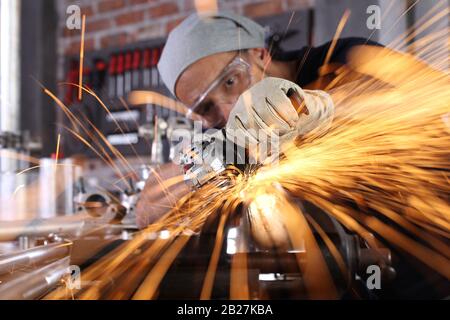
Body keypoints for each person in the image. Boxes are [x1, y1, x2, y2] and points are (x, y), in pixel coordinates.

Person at [136, 12, 380, 228]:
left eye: (230, 81)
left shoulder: (342, 59)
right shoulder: (221, 132)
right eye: (206, 107)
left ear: (260, 55)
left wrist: (319, 106)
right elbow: (147, 212)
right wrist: (190, 177)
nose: (228, 110)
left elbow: (410, 100)